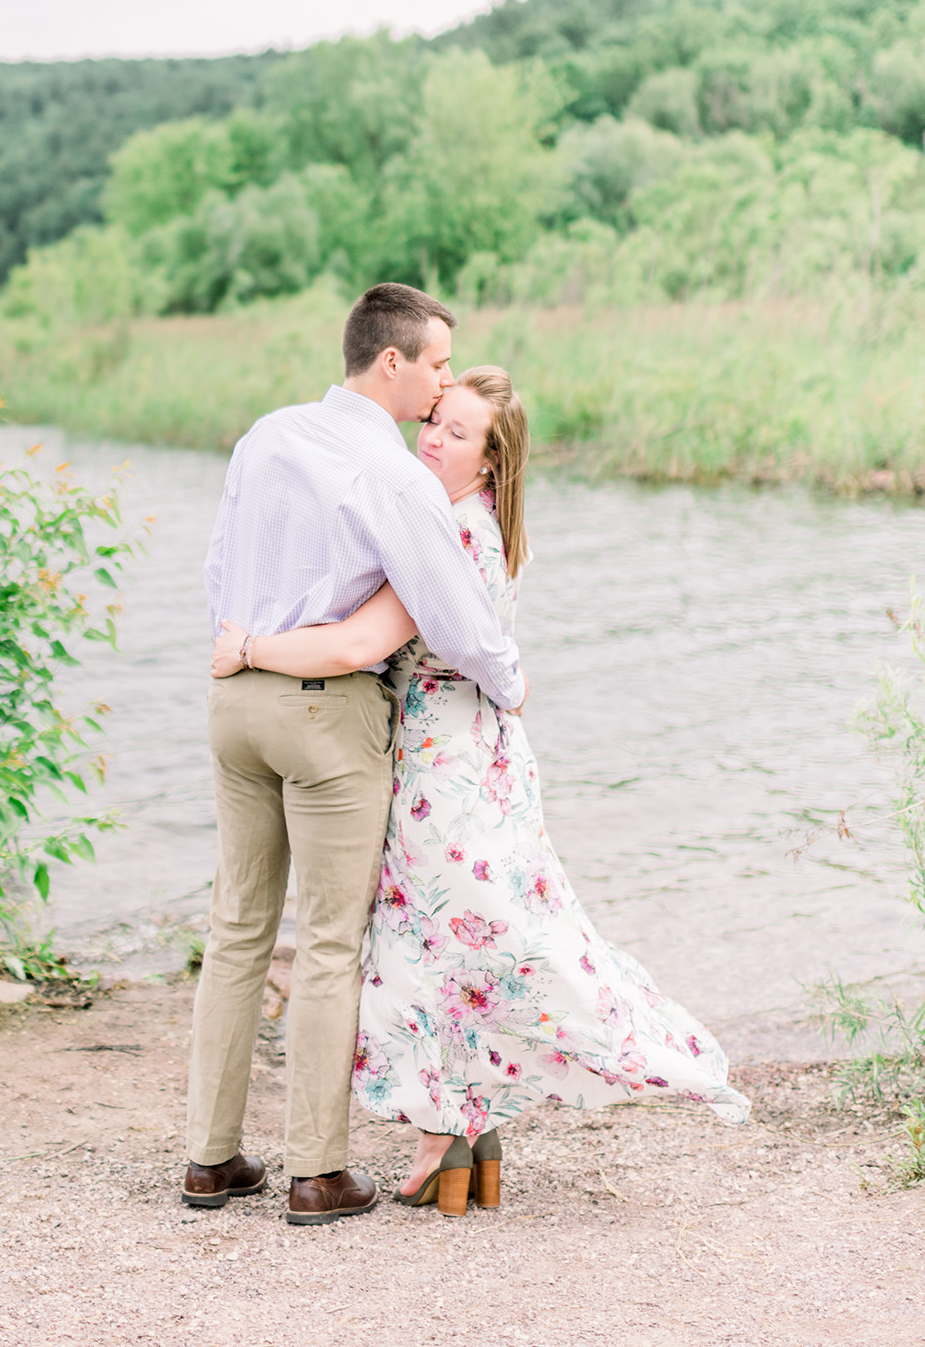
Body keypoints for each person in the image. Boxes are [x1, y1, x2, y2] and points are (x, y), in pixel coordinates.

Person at [213, 366, 750, 1216]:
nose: (431, 440)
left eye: (457, 434)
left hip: (442, 764)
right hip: (475, 752)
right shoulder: (486, 523)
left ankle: (444, 1135)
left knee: (431, 943)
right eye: (433, 423)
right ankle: (467, 1131)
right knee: (459, 935)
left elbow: (359, 642)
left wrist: (248, 647)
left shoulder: (450, 532)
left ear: (491, 462)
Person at [184, 286, 528, 1227]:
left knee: (238, 930)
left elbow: (220, 568)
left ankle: (210, 1161)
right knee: (330, 944)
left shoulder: (267, 434)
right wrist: (509, 678)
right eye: (438, 365)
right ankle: (317, 1174)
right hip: (324, 715)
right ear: (393, 363)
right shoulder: (396, 474)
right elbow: (454, 616)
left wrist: (238, 649)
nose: (444, 382)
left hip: (235, 702)